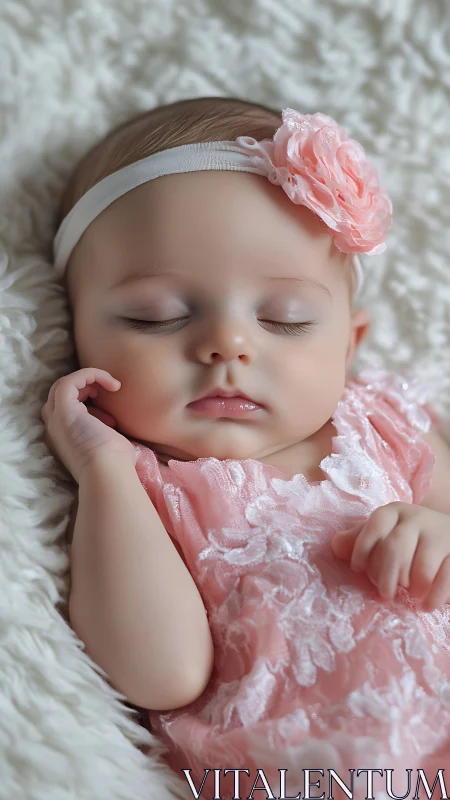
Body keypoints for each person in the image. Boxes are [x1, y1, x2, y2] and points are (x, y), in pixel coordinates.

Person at [42, 97, 450, 800]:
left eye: (284, 319)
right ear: (75, 333)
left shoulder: (388, 422)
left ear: (347, 346)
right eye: (156, 316)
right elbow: (159, 675)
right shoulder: (142, 487)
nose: (228, 345)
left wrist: (437, 530)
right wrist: (103, 473)